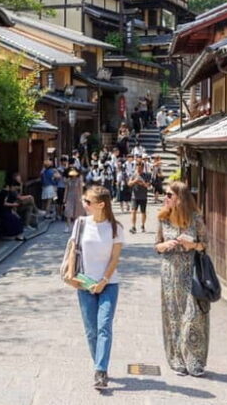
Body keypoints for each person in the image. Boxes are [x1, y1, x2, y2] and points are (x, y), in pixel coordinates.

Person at [64, 186, 124, 389]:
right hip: (84, 282)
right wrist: (71, 275)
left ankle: (101, 370)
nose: (84, 204)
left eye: (88, 202)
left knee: (104, 326)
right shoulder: (81, 224)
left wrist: (104, 281)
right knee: (91, 330)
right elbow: (73, 250)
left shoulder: (115, 227)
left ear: (101, 205)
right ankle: (98, 361)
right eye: (84, 200)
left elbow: (115, 258)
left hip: (109, 284)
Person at [154, 181, 209, 377]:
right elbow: (157, 246)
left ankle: (195, 361)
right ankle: (177, 359)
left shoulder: (196, 219)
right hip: (169, 272)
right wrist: (166, 244)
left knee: (193, 317)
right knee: (173, 316)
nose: (165, 198)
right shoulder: (163, 219)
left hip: (191, 272)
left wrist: (193, 244)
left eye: (169, 195)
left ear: (180, 198)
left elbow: (205, 245)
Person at [128, 161, 151, 234]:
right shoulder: (133, 175)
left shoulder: (146, 175)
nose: (139, 169)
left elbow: (148, 185)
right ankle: (133, 226)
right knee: (133, 211)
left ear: (143, 168)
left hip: (143, 196)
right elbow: (129, 184)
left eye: (140, 167)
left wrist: (142, 183)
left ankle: (143, 225)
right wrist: (135, 181)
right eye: (137, 167)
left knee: (143, 212)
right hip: (134, 196)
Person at [63, 167, 85, 234]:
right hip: (69, 197)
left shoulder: (79, 180)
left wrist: (81, 197)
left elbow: (81, 189)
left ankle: (75, 227)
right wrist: (64, 198)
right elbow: (66, 189)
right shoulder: (68, 180)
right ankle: (68, 227)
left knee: (77, 213)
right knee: (68, 212)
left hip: (77, 197)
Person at [56, 156, 69, 221]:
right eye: (64, 161)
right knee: (60, 201)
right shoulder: (59, 169)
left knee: (65, 201)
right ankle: (59, 214)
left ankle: (63, 214)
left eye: (66, 161)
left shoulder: (67, 169)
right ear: (61, 162)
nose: (65, 162)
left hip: (65, 187)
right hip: (60, 186)